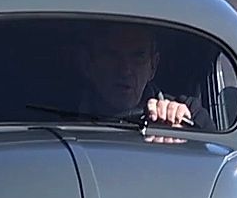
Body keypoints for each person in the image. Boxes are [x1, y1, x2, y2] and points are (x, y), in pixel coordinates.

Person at [73, 23, 210, 128]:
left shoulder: (191, 113)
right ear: (87, 63)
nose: (125, 70)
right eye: (111, 56)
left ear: (153, 66)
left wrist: (181, 129)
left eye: (138, 57)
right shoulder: (63, 114)